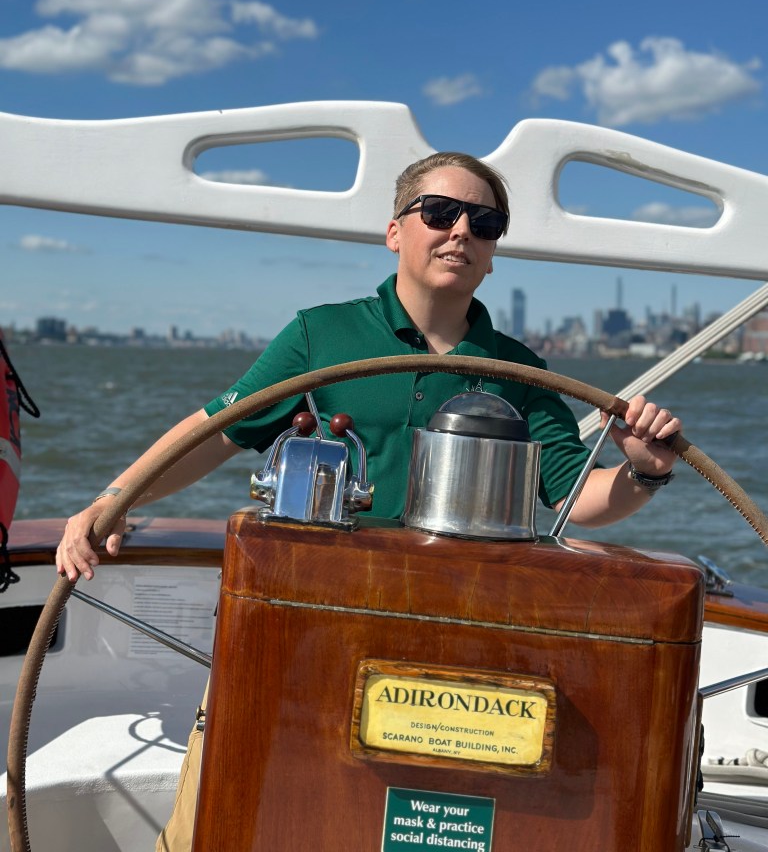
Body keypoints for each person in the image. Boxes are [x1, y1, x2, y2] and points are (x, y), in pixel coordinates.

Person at [55, 151, 681, 851]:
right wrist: (111, 499)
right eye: (440, 213)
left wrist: (642, 472)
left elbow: (573, 497)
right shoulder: (321, 336)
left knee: (421, 820)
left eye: (485, 222)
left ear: (496, 251)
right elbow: (218, 430)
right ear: (394, 232)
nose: (461, 233)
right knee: (232, 809)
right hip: (306, 623)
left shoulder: (520, 371)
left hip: (458, 640)